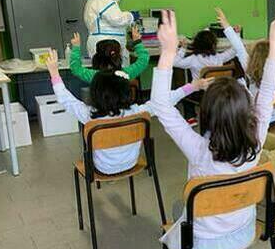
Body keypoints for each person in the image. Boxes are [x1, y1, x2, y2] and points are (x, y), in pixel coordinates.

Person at [153, 6, 275, 249]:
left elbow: (161, 106)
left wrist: (167, 53)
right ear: (246, 108)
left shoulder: (200, 150)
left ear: (206, 113)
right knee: (193, 203)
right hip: (243, 229)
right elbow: (269, 89)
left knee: (181, 207)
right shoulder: (257, 139)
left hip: (207, 241)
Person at [44, 49, 209, 175]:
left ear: (96, 93)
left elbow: (66, 99)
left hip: (102, 168)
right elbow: (165, 101)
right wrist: (193, 86)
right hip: (132, 162)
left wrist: (53, 72)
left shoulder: (89, 116)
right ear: (125, 91)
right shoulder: (137, 112)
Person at [173, 8, 247, 125]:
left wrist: (183, 48)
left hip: (202, 93)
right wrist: (236, 33)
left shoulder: (193, 59)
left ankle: (191, 117)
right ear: (214, 44)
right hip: (219, 91)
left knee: (186, 90)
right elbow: (236, 49)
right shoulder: (219, 57)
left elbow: (175, 62)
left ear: (196, 43)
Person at [80, 0, 138, 66]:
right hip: (106, 44)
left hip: (103, 42)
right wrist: (130, 16)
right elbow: (116, 19)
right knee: (114, 76)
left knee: (105, 75)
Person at [70, 26, 149, 83]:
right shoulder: (125, 74)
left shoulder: (93, 76)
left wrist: (76, 47)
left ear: (97, 56)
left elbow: (75, 68)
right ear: (118, 55)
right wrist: (137, 42)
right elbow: (143, 60)